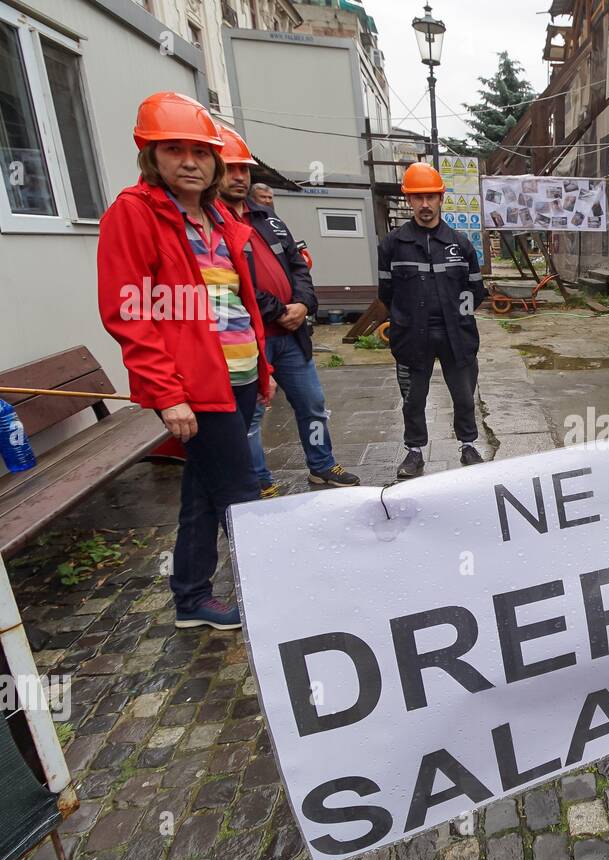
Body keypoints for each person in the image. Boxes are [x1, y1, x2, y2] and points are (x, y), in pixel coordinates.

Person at [97, 91, 272, 630]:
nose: (190, 162)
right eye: (174, 150)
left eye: (200, 152)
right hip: (198, 387)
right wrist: (168, 394)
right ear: (152, 157)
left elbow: (239, 303)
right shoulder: (135, 214)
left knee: (202, 490)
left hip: (239, 377)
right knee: (242, 496)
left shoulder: (220, 219)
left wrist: (262, 371)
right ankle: (273, 595)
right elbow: (130, 314)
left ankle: (191, 597)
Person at [217, 126, 359, 495]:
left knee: (311, 402)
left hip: (291, 336)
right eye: (230, 167)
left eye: (243, 169)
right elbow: (232, 283)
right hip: (249, 338)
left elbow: (298, 265)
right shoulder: (212, 225)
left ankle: (322, 466)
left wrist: (303, 304)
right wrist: (278, 309)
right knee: (252, 415)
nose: (238, 176)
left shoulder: (268, 219)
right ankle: (260, 481)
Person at [379, 162, 487, 478]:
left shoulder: (460, 244)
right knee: (413, 400)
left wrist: (460, 319)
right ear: (408, 201)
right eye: (417, 198)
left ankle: (468, 445)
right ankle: (414, 453)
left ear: (441, 198)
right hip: (413, 337)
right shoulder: (393, 245)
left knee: (464, 397)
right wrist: (405, 320)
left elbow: (475, 290)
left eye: (430, 197)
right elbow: (387, 293)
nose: (424, 205)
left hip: (457, 336)